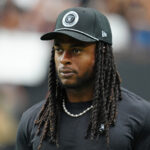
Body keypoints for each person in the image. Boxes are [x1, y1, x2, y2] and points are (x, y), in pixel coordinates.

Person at [16, 7, 150, 150]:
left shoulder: (140, 116)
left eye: (76, 50)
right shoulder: (33, 120)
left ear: (102, 53)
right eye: (59, 50)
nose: (64, 59)